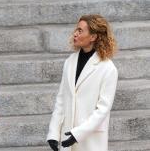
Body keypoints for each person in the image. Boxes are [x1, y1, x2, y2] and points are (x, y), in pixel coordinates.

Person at [46, 14, 118, 151]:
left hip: (91, 140)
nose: (75, 34)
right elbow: (61, 100)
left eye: (80, 31)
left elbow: (103, 109)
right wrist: (54, 133)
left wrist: (78, 133)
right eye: (76, 30)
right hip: (67, 137)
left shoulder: (108, 69)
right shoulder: (69, 62)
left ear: (93, 37)